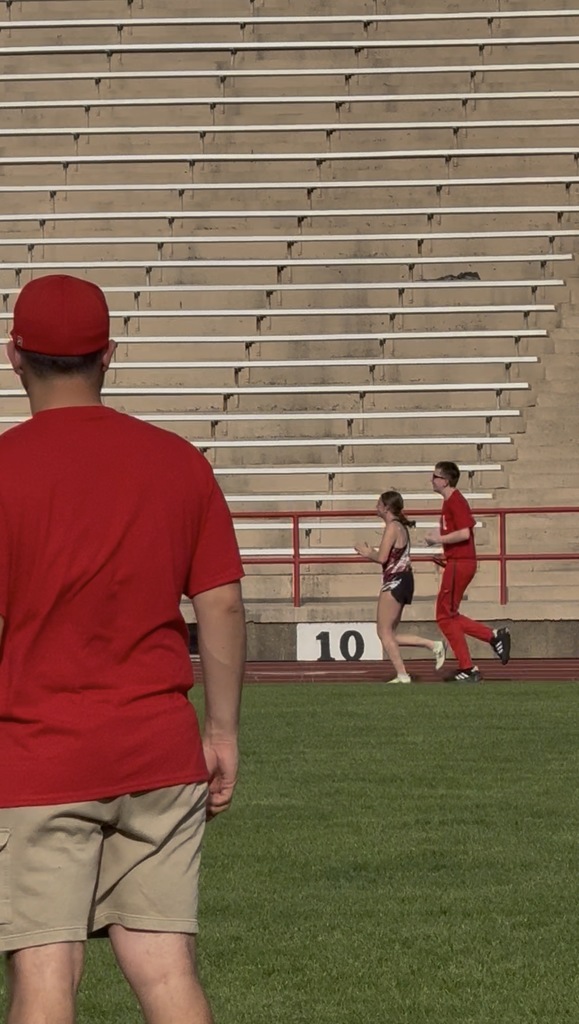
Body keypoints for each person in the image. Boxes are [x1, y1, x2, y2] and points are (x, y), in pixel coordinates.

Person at [0, 274, 246, 1024]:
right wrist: (223, 730)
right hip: (157, 749)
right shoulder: (177, 462)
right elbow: (223, 603)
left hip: (38, 753)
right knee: (166, 971)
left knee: (46, 974)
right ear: (110, 355)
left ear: (15, 357)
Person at [425, 460, 511, 682]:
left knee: (445, 617)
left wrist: (439, 540)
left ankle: (468, 667)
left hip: (461, 563)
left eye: (434, 476)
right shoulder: (450, 502)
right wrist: (445, 552)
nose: (431, 479)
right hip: (458, 562)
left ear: (445, 480)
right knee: (448, 616)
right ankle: (491, 638)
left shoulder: (455, 501)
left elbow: (464, 533)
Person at [355, 490, 446, 684]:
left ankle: (403, 675)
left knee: (383, 632)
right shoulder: (399, 526)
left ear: (386, 507)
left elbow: (382, 558)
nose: (375, 507)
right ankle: (433, 645)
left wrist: (366, 552)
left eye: (378, 504)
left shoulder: (393, 527)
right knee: (389, 634)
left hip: (395, 580)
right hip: (403, 580)